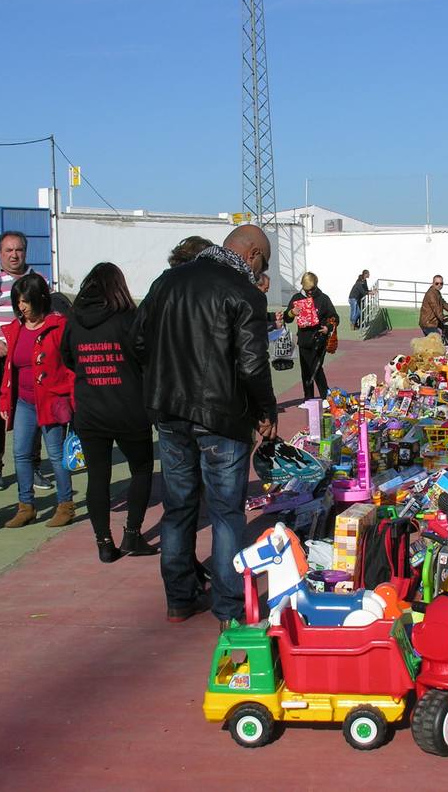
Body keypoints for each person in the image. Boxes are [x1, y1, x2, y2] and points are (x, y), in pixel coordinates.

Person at [133, 224, 278, 629]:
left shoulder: (166, 282)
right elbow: (251, 364)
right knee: (226, 513)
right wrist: (266, 409)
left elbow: (138, 341)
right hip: (221, 417)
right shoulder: (243, 291)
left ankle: (179, 599)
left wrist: (162, 378)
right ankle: (229, 610)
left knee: (179, 508)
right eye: (262, 262)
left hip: (170, 411)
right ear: (251, 255)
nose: (259, 271)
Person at [60, 263, 157, 563]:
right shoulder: (129, 318)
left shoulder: (74, 320)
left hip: (90, 410)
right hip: (129, 408)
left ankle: (104, 541)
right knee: (141, 469)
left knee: (97, 478)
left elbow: (67, 357)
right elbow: (146, 356)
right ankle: (132, 533)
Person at [0, 231, 51, 493]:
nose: (14, 255)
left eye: (19, 250)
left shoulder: (38, 281)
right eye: (8, 250)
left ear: (26, 252)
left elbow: (48, 315)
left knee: (35, 409)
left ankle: (34, 467)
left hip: (32, 360)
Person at [0, 273, 76, 529]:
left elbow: (70, 366)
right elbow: (11, 369)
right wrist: (4, 400)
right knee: (20, 454)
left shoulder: (58, 326)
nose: (21, 308)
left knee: (55, 454)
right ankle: (26, 506)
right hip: (23, 402)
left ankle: (65, 505)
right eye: (18, 302)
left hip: (51, 401)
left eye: (26, 302)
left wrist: (69, 396)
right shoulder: (17, 329)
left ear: (40, 299)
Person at [285, 271, 339, 401]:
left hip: (319, 339)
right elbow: (287, 318)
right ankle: (308, 398)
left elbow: (335, 317)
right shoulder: (297, 298)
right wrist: (292, 312)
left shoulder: (323, 298)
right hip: (303, 340)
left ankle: (326, 397)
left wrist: (328, 327)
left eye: (312, 289)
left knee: (316, 368)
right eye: (307, 289)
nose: (310, 292)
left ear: (316, 285)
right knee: (306, 371)